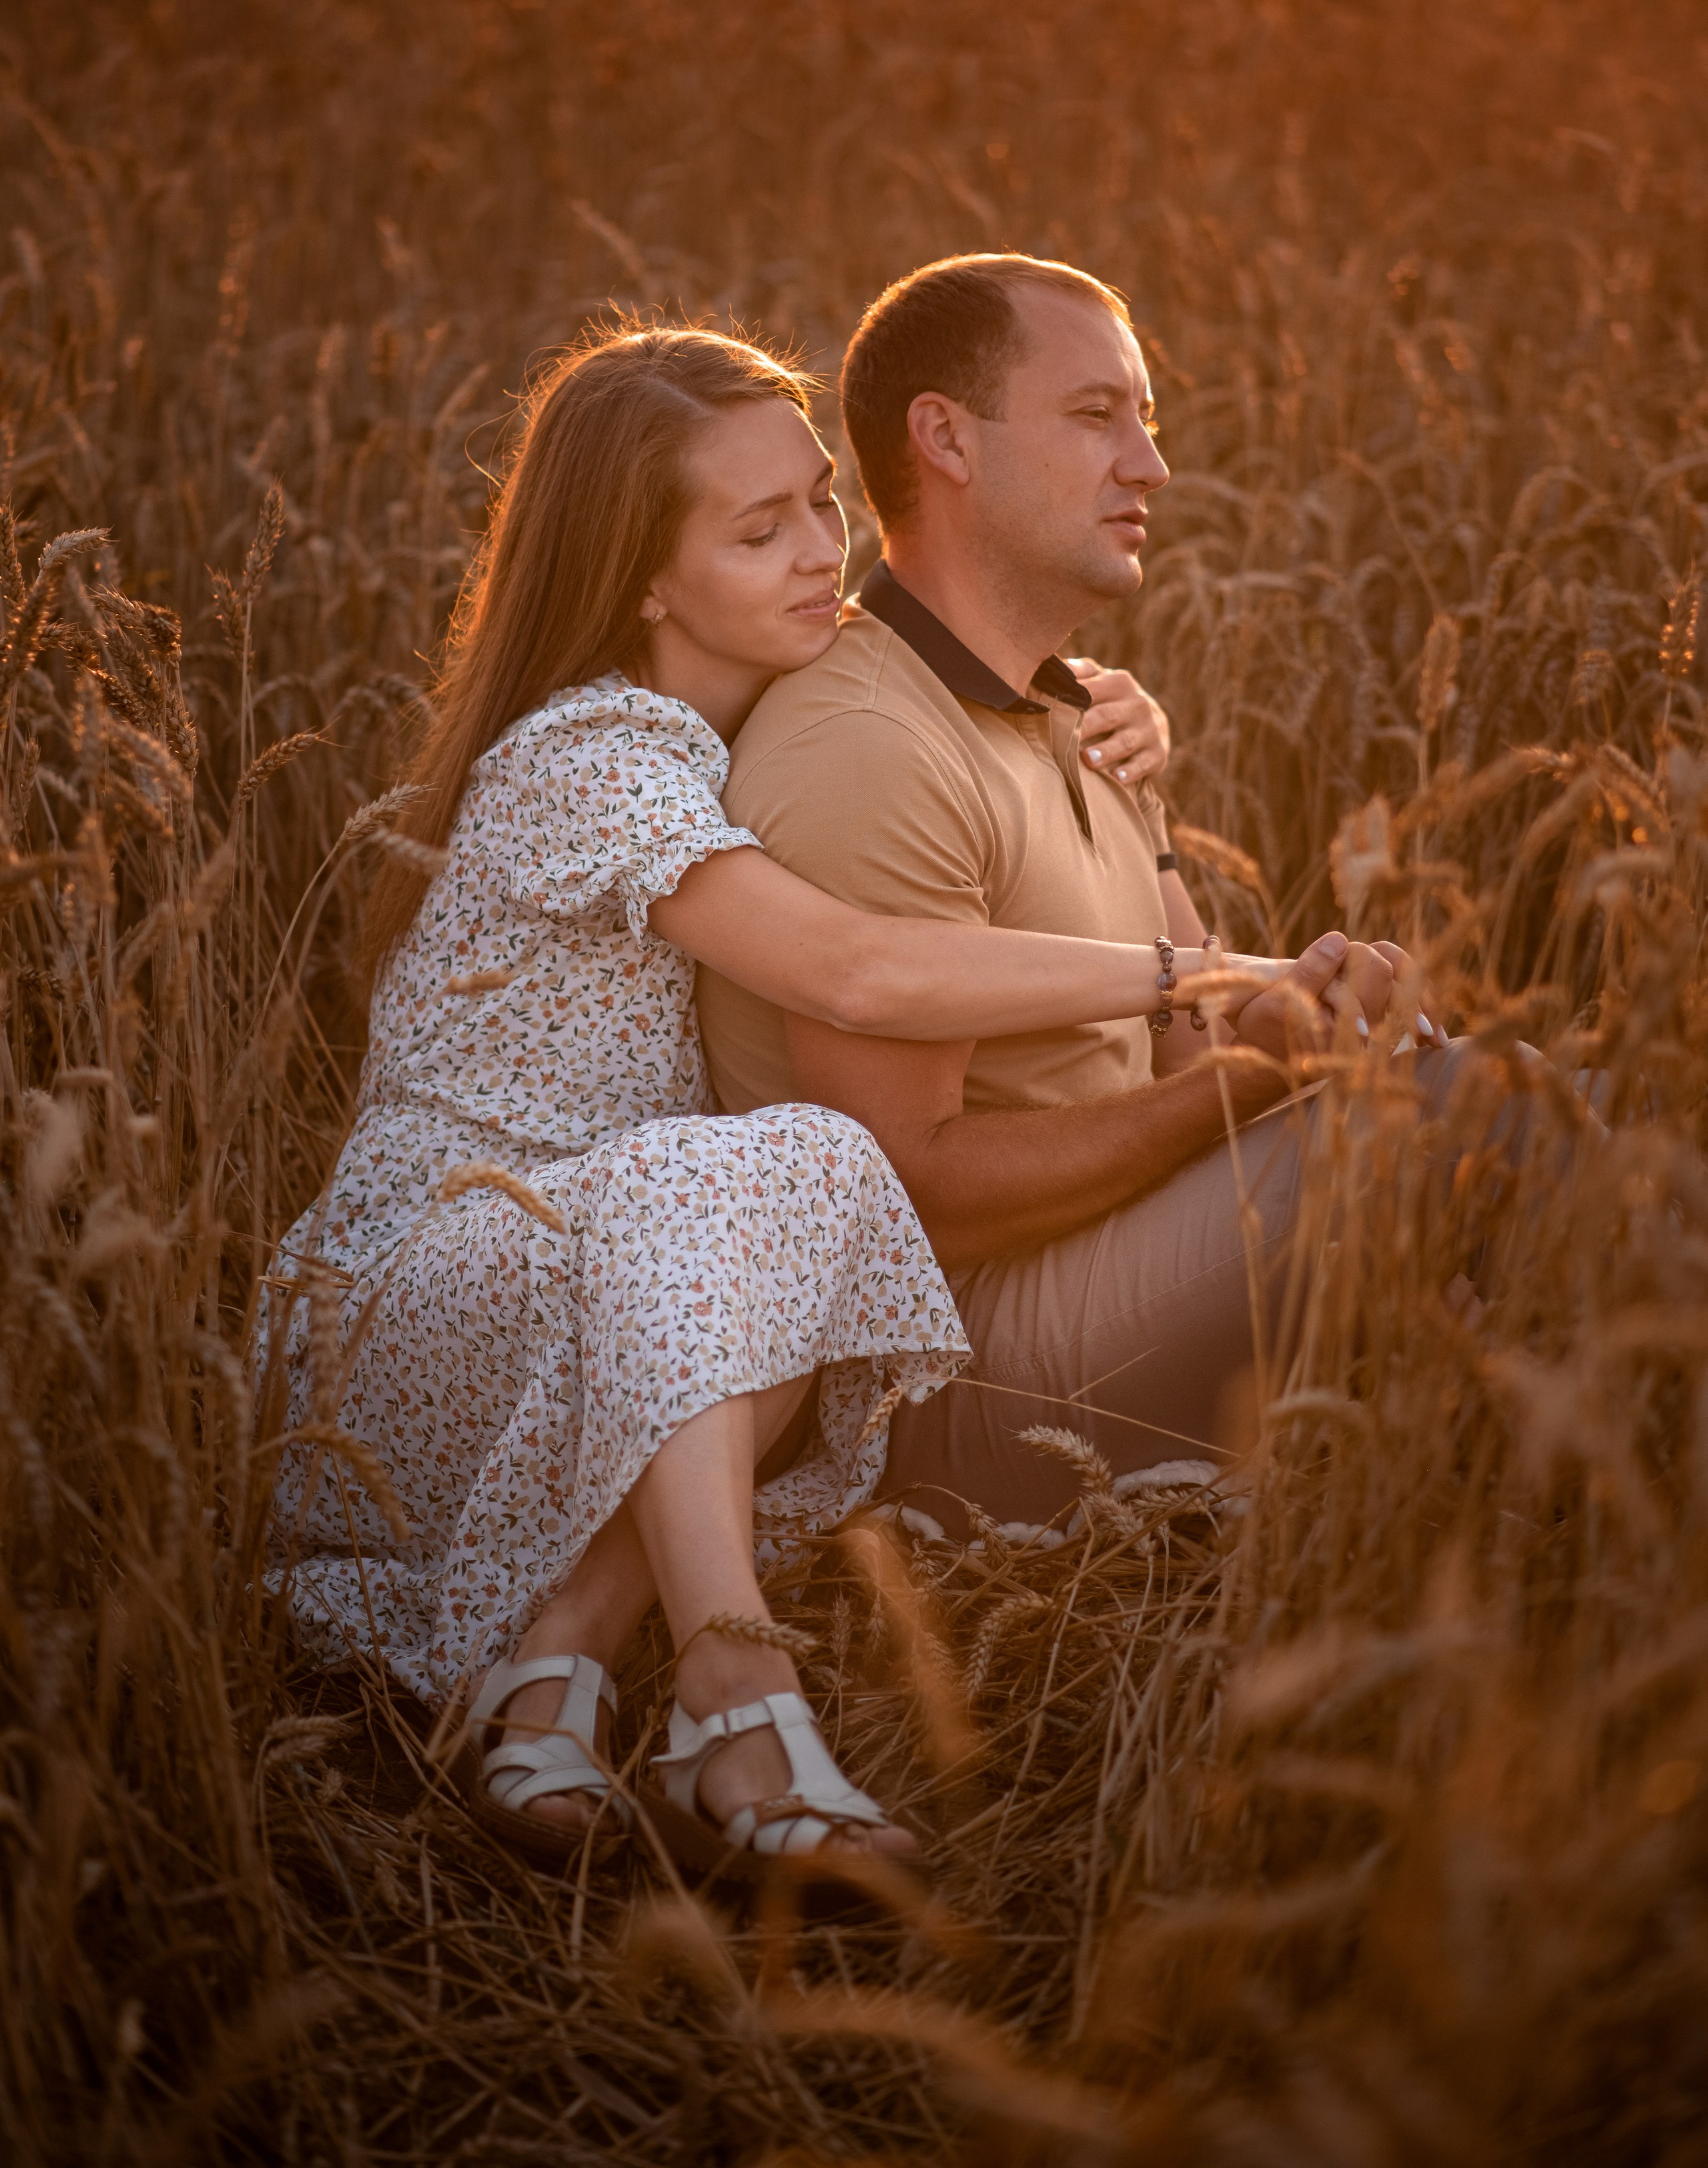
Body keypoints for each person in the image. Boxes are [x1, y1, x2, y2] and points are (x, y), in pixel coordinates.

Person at [269, 322, 1303, 1882]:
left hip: (621, 1281)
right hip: (422, 1301)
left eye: (821, 502)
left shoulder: (742, 729)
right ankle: (735, 1692)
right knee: (791, 1166)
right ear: (639, 579)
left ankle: (552, 1666)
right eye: (761, 531)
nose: (826, 551)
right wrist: (1201, 977)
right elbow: (860, 974)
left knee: (773, 1207)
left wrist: (1089, 718)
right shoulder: (589, 755)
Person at [697, 253, 1434, 1530]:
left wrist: (1308, 1014)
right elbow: (902, 1189)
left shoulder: (1081, 713)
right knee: (1471, 1122)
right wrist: (1254, 1087)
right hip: (956, 1378)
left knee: (1541, 1106)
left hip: (1118, 1270)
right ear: (947, 441)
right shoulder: (865, 742)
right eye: (1098, 416)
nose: (1149, 463)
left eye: (1146, 419)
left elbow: (1187, 1024)